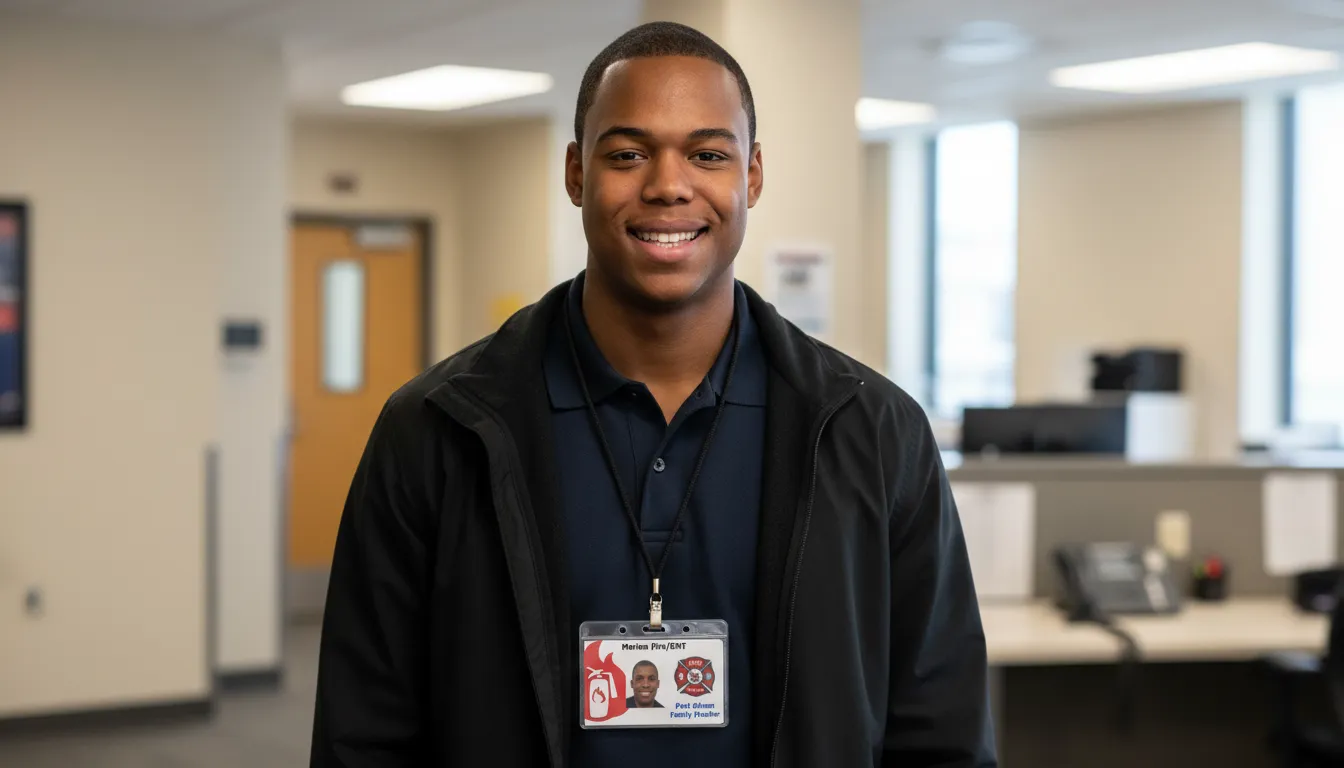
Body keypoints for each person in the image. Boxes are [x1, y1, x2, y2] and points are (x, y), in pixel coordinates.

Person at [310, 19, 997, 768]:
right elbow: (365, 730)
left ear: (752, 176)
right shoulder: (437, 431)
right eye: (628, 153)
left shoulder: (872, 431)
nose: (668, 185)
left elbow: (941, 728)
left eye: (707, 154)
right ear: (575, 172)